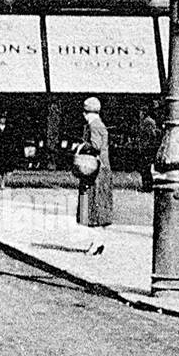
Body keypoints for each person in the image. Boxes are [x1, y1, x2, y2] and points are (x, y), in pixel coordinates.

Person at [75, 96, 113, 254]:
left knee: (93, 208)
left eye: (85, 112)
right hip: (102, 170)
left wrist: (82, 146)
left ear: (88, 112)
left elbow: (96, 146)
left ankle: (97, 242)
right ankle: (98, 241)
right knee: (97, 208)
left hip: (95, 172)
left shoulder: (94, 126)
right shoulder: (99, 124)